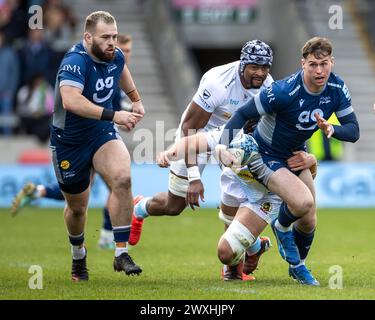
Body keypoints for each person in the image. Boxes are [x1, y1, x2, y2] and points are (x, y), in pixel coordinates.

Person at [129, 40, 274, 280]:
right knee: (174, 206)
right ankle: (139, 208)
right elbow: (189, 128)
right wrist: (195, 178)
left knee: (238, 195)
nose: (260, 72)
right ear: (242, 63)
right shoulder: (218, 84)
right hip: (198, 137)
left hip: (233, 140)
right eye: (254, 67)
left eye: (265, 67)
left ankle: (234, 267)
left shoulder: (268, 84)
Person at [220, 36, 360, 285]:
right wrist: (222, 146)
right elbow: (242, 113)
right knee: (302, 202)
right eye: (313, 64)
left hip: (295, 156)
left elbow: (353, 130)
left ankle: (297, 265)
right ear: (302, 63)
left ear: (332, 62)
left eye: (324, 64)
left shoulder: (337, 89)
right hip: (266, 155)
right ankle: (283, 233)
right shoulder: (283, 91)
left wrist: (332, 130)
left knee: (309, 220)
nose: (319, 70)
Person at [11, 34, 134, 251]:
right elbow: (80, 102)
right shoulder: (89, 66)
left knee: (117, 182)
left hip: (102, 135)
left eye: (128, 49)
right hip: (78, 137)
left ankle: (39, 192)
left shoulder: (115, 70)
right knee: (84, 195)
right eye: (122, 47)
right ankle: (103, 237)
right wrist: (120, 115)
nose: (123, 52)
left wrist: (131, 109)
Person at [156, 123, 318, 283]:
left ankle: (295, 263)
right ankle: (256, 247)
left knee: (307, 220)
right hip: (236, 183)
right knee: (227, 254)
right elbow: (190, 143)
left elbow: (307, 170)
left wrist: (311, 161)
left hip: (266, 197)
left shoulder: (281, 139)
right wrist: (169, 154)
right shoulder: (231, 133)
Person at [50, 11, 144, 281]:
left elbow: (121, 66)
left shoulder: (114, 54)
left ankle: (120, 252)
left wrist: (135, 99)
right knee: (78, 207)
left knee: (123, 178)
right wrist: (116, 114)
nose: (112, 42)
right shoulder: (74, 61)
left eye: (114, 36)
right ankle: (78, 254)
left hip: (101, 132)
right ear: (87, 37)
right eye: (105, 37)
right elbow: (71, 102)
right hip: (69, 141)